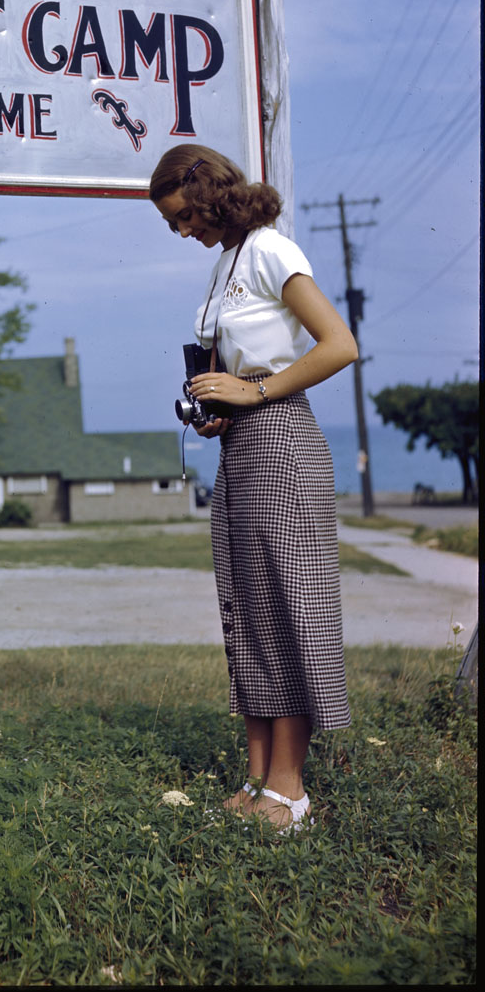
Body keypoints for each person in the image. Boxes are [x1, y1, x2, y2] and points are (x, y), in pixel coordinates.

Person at [149, 144, 358, 832]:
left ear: (206, 192)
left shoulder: (271, 250)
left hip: (283, 440)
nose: (182, 231)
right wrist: (221, 406)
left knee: (287, 609)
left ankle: (291, 791)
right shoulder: (224, 266)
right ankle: (259, 778)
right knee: (249, 610)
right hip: (240, 445)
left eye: (183, 216)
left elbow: (338, 344)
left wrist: (255, 388)